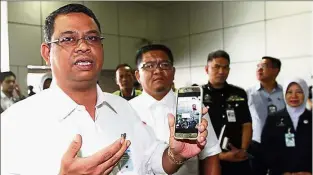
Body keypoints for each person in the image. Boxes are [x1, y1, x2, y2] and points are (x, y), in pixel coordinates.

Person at [1, 4, 210, 175]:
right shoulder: (15, 123)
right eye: (68, 39)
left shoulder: (122, 108)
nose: (83, 46)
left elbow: (152, 161)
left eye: (92, 38)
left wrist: (176, 154)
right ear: (47, 52)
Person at [130, 44, 221, 175]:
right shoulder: (127, 109)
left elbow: (211, 154)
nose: (157, 71)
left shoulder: (193, 106)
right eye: (149, 66)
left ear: (173, 72)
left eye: (164, 65)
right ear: (138, 75)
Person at [202, 50, 253, 175]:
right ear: (206, 69)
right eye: (216, 67)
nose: (221, 71)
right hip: (209, 160)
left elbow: (246, 124)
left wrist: (243, 150)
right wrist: (221, 156)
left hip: (237, 158)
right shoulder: (198, 95)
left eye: (225, 67)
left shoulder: (239, 93)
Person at [261, 77, 312, 175]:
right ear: (284, 94)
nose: (294, 96)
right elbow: (266, 149)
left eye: (299, 92)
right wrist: (280, 172)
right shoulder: (273, 119)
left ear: (305, 93)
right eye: (289, 92)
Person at [246, 56, 285, 175]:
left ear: (276, 70)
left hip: (280, 145)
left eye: (263, 66)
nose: (259, 69)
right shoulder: (248, 93)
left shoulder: (285, 93)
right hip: (256, 145)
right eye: (258, 66)